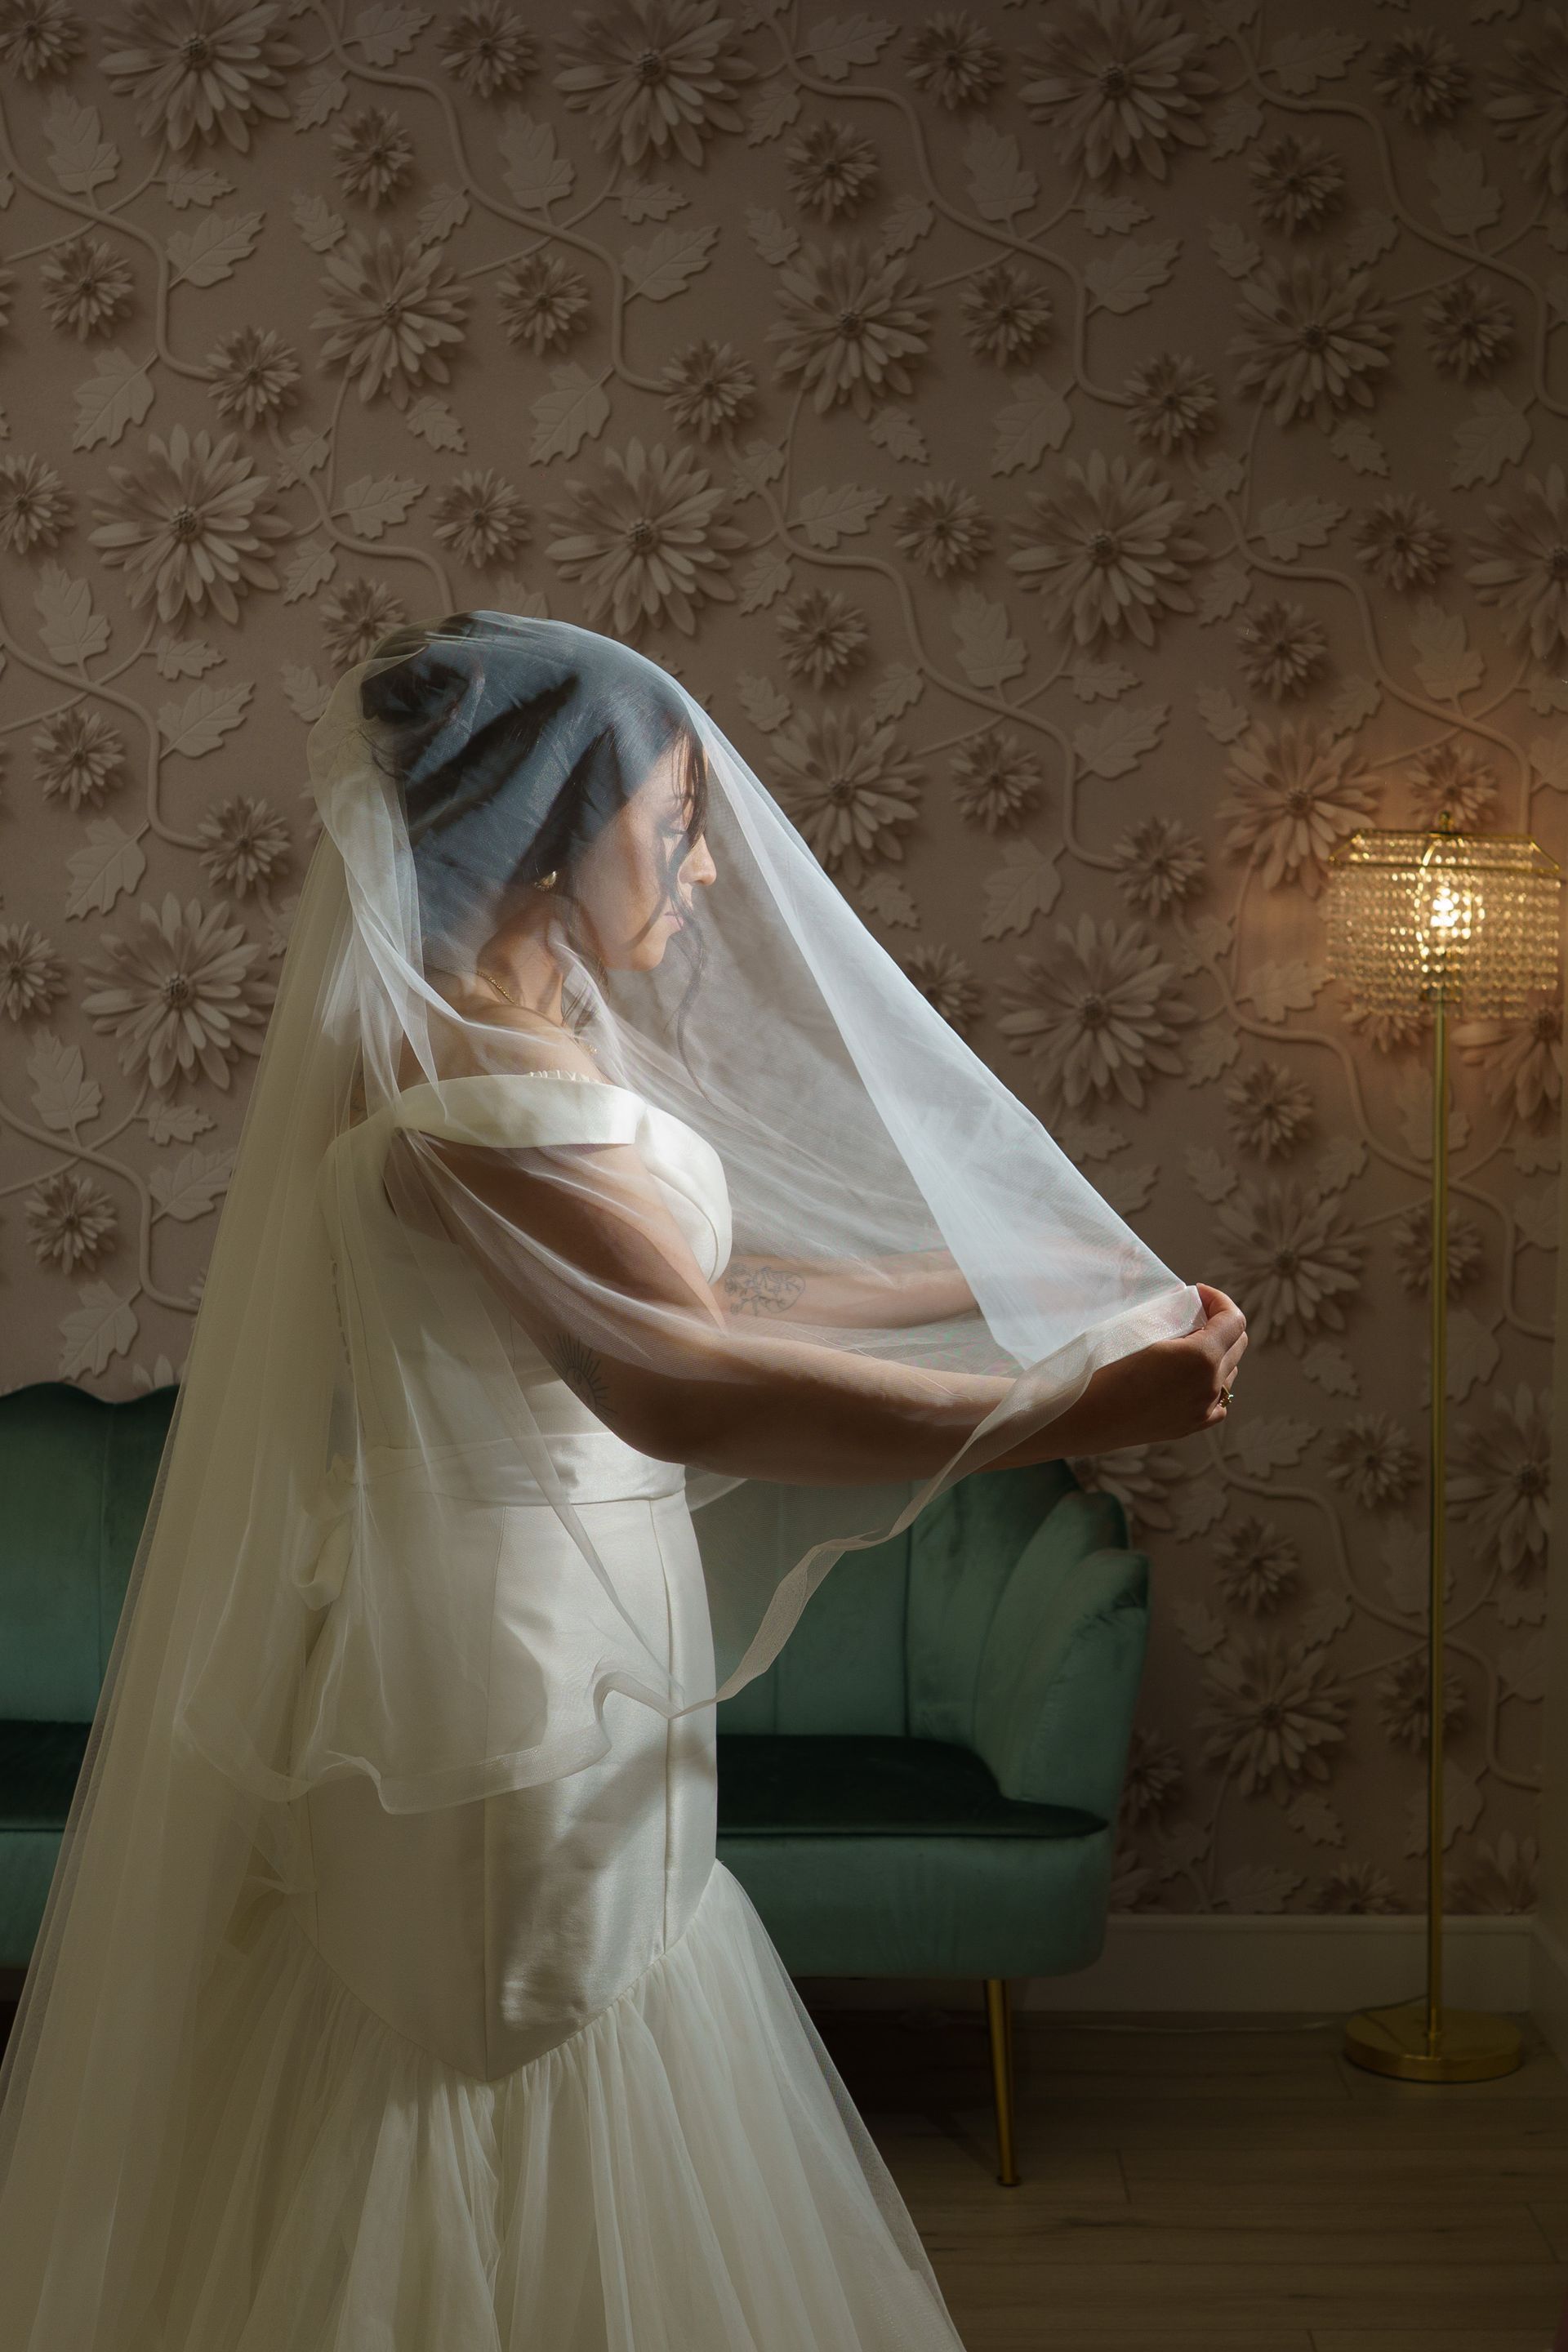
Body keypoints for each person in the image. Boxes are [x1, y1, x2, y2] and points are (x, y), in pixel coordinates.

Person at [0, 614, 1245, 2350]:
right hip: (507, 1684)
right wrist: (1066, 1410)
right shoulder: (474, 1093)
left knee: (534, 2020)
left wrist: (1020, 1290)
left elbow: (707, 1297)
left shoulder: (496, 1042)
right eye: (672, 822)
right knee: (515, 2028)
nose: (706, 862)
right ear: (547, 825)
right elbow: (672, 1378)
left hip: (543, 1645)